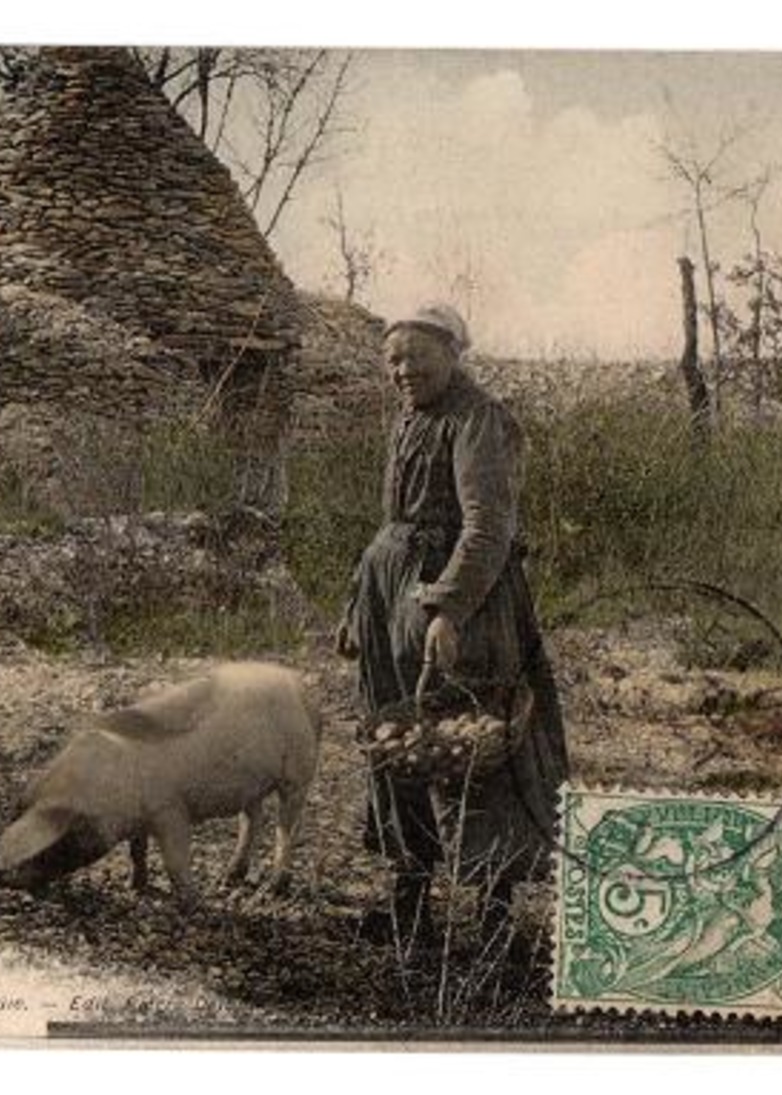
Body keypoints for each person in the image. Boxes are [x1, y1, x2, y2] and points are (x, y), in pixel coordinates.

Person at [336, 302, 568, 945]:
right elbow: (392, 527)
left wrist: (448, 611)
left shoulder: (477, 420)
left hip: (462, 602)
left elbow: (489, 528)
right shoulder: (410, 419)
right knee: (399, 737)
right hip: (391, 599)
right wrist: (358, 604)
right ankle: (410, 903)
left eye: (418, 357)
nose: (404, 371)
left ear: (453, 355)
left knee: (474, 744)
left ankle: (493, 919)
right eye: (393, 361)